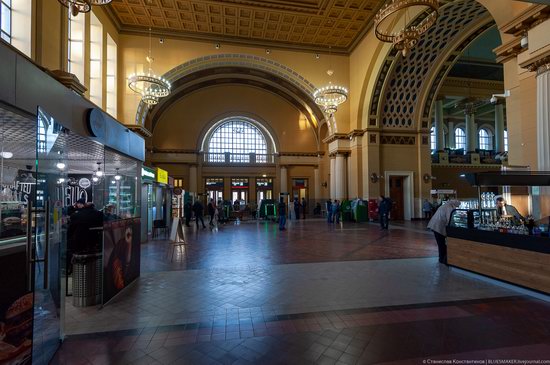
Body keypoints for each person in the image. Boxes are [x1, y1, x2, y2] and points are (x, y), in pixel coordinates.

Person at [67, 198, 103, 273]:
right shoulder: (99, 214)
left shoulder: (77, 215)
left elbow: (70, 230)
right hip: (95, 242)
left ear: (84, 206)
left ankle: (72, 269)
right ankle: (92, 271)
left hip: (80, 242)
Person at [427, 200, 461, 264]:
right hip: (438, 226)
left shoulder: (446, 205)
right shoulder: (449, 207)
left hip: (435, 225)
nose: (457, 207)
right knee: (441, 244)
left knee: (441, 243)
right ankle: (443, 259)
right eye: (458, 205)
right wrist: (455, 226)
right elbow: (449, 219)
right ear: (455, 204)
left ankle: (442, 258)